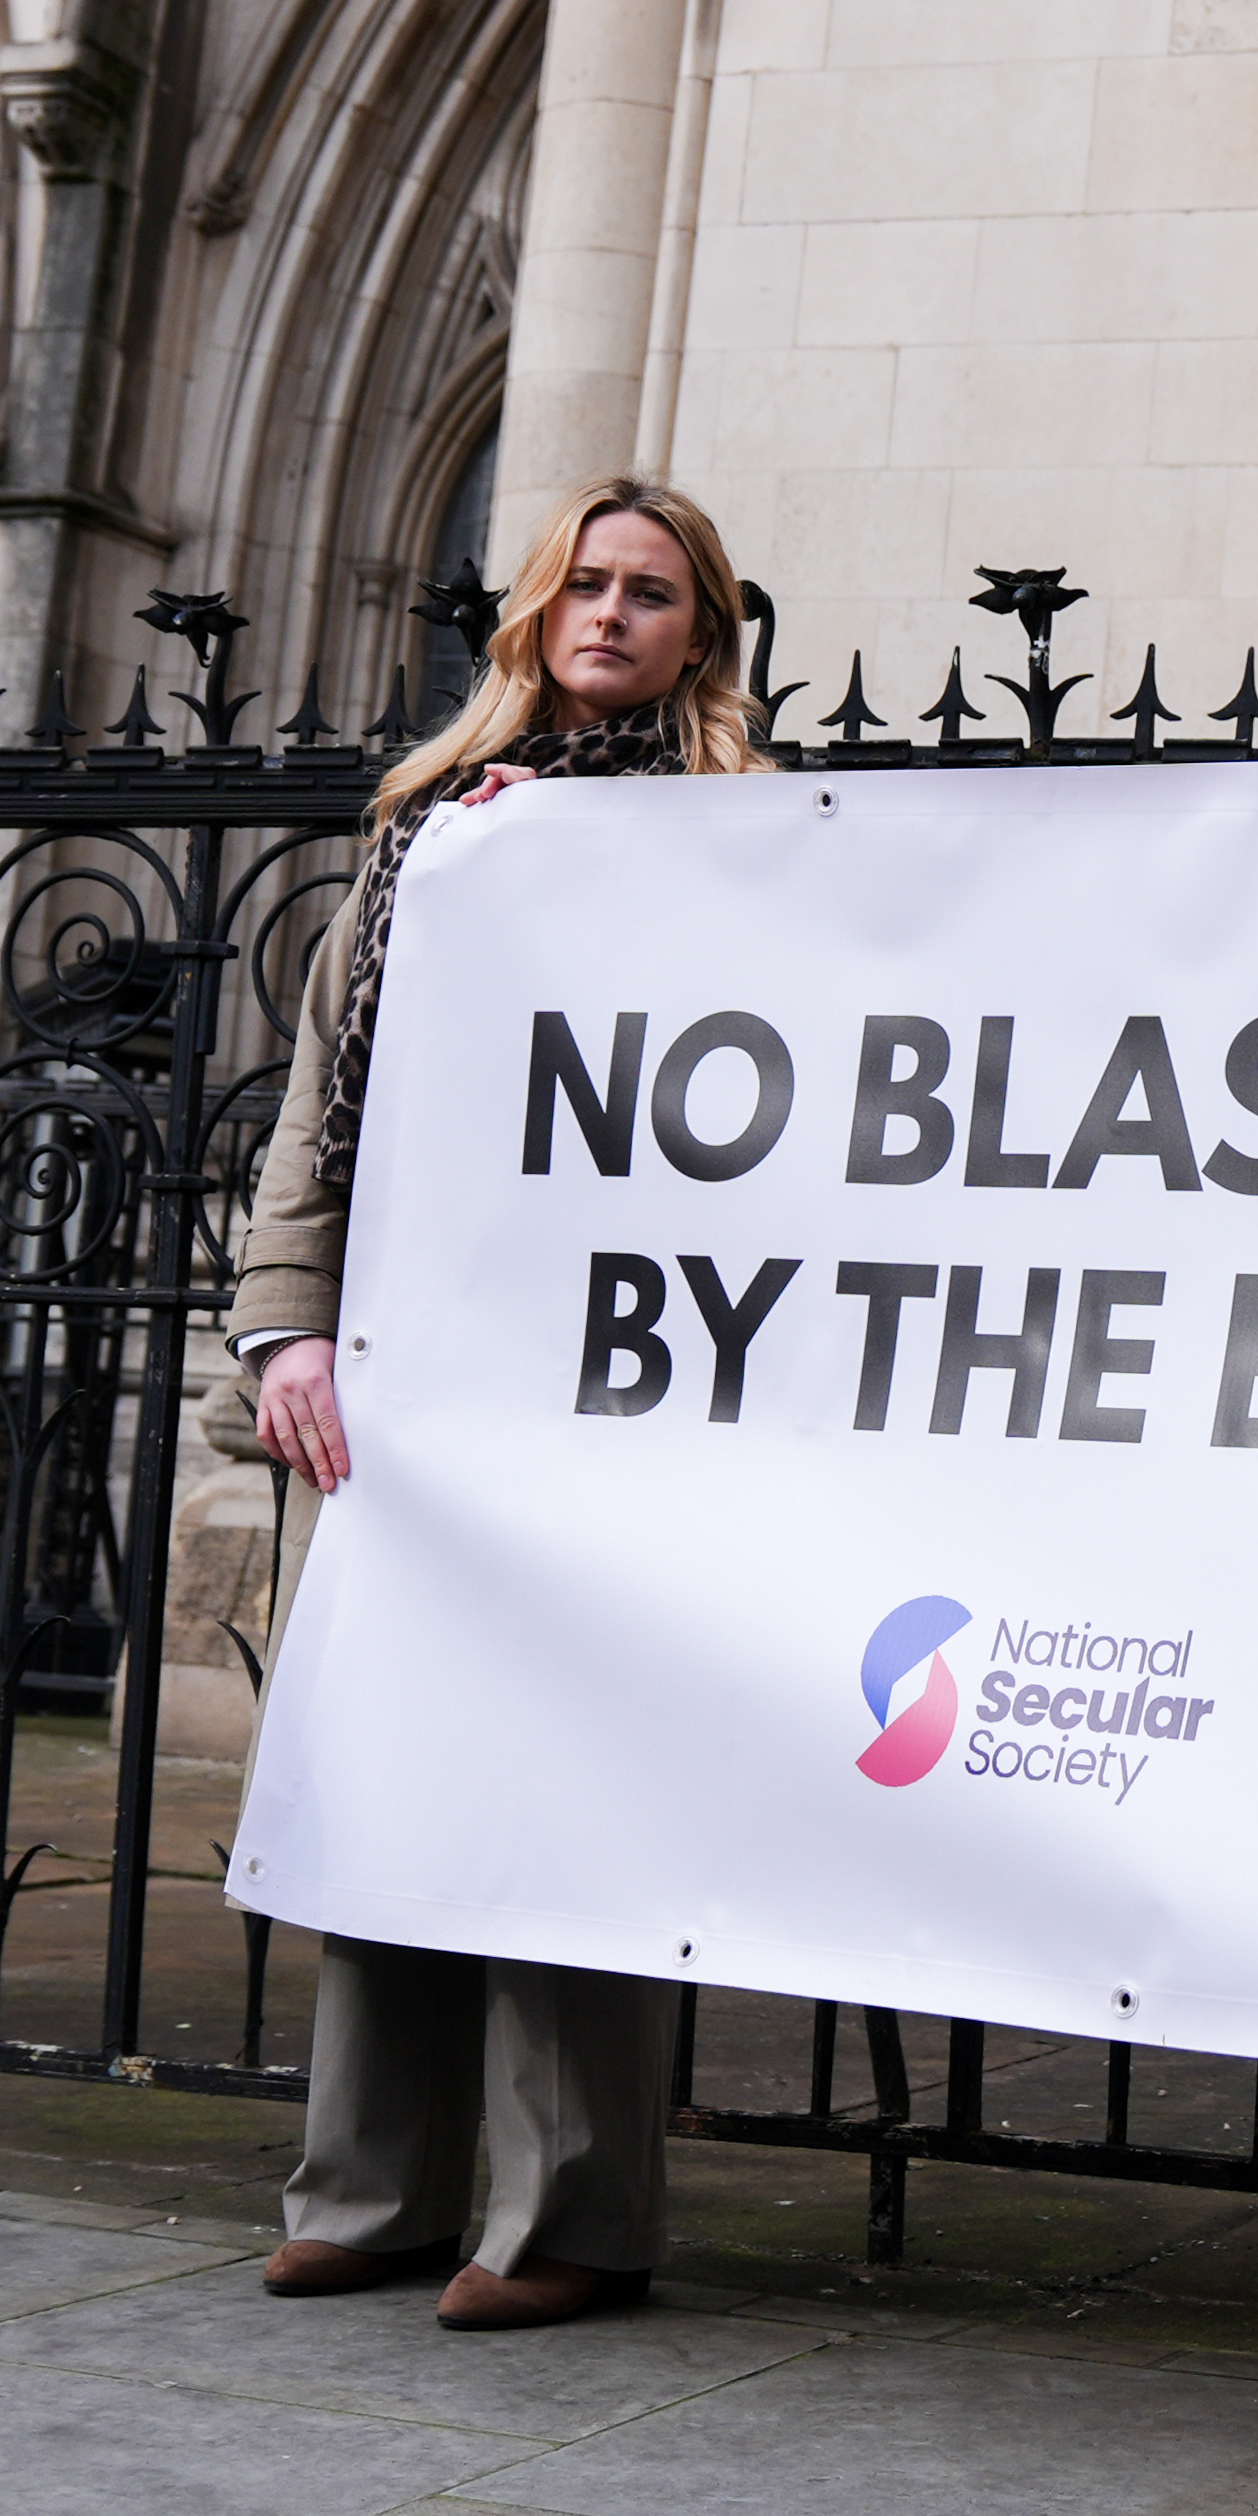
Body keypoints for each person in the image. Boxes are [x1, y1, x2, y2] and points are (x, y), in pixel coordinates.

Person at [235, 475, 774, 2332]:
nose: (613, 616)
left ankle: (565, 2221)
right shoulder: (420, 833)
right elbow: (328, 1107)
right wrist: (284, 1328)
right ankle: (368, 2189)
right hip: (413, 1370)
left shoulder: (746, 839)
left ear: (701, 632)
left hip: (617, 1378)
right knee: (393, 1763)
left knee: (567, 1781)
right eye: (587, 585)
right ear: (534, 609)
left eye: (654, 593)